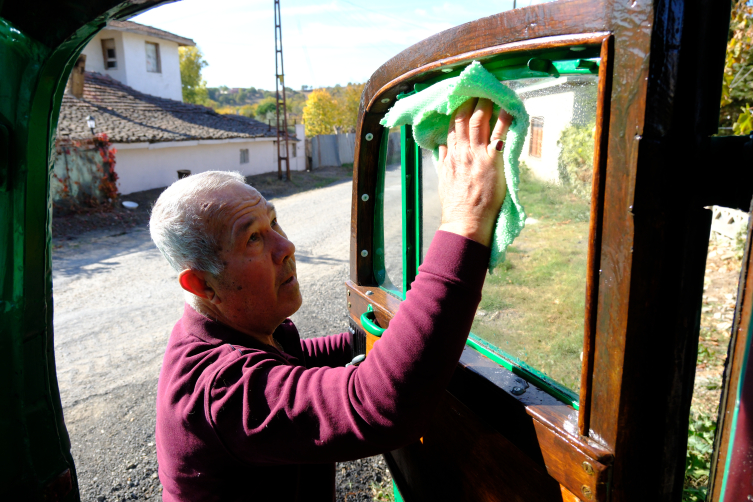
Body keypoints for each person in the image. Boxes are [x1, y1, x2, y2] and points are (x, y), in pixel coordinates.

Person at [150, 97, 512, 501]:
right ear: (201, 285)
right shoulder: (220, 388)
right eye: (252, 237)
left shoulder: (232, 334)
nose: (285, 245)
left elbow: (299, 359)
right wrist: (466, 220)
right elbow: (378, 407)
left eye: (273, 222)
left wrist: (388, 334)